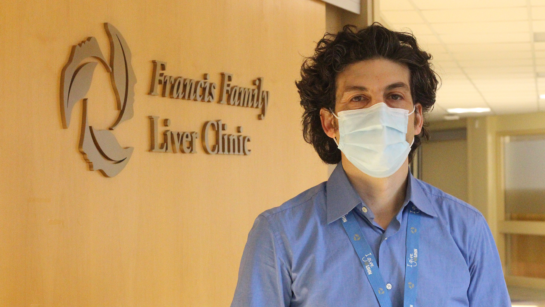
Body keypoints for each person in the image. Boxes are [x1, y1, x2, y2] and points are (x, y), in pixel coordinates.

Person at [230, 23, 511, 307]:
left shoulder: (467, 229)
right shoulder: (280, 234)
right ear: (330, 123)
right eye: (359, 98)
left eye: (394, 96)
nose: (379, 112)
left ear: (417, 119)